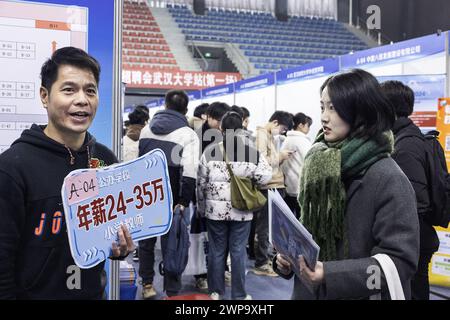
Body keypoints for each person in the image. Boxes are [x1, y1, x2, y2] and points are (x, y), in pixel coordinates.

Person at [0, 47, 134, 299]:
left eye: (90, 91)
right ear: (44, 95)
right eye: (69, 89)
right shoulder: (12, 167)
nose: (82, 100)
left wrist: (121, 248)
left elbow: (114, 233)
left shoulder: (105, 161)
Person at [273, 69, 420, 300]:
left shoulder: (388, 178)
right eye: (322, 107)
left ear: (360, 110)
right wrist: (288, 259)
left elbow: (399, 263)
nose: (324, 117)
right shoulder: (319, 164)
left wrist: (329, 275)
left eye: (333, 108)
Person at [197, 111, 272, 300]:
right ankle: (239, 295)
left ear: (221, 128)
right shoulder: (252, 152)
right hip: (242, 211)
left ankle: (215, 292)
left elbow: (201, 183)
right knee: (238, 252)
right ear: (241, 128)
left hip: (215, 212)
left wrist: (201, 208)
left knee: (216, 251)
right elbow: (265, 176)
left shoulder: (209, 152)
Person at [381, 80, 440, 300]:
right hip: (412, 237)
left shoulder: (406, 145)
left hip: (413, 239)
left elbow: (416, 201)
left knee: (413, 292)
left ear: (387, 108)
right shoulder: (403, 137)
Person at [138, 89, 199, 298]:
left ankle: (147, 285)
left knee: (145, 243)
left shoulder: (146, 130)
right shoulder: (188, 135)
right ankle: (172, 291)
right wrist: (183, 200)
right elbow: (190, 172)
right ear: (186, 110)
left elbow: (140, 164)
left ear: (164, 106)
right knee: (173, 243)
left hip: (146, 194)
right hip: (172, 198)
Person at [193, 101, 231, 290]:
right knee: (201, 237)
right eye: (218, 120)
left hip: (222, 198)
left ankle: (220, 270)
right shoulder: (198, 137)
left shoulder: (225, 135)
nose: (220, 123)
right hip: (203, 195)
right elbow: (196, 170)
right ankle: (200, 275)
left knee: (220, 238)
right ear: (209, 117)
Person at [252, 111, 294, 276]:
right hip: (268, 186)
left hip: (273, 185)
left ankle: (265, 259)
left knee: (270, 227)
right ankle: (261, 263)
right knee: (265, 228)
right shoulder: (261, 136)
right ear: (275, 122)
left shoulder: (267, 135)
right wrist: (280, 156)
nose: (282, 132)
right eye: (282, 128)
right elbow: (261, 162)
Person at [281, 113, 313, 219]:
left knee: (289, 218)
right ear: (300, 125)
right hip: (299, 185)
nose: (308, 129)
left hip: (288, 184)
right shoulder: (302, 141)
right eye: (308, 125)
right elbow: (310, 160)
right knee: (301, 218)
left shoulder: (287, 139)